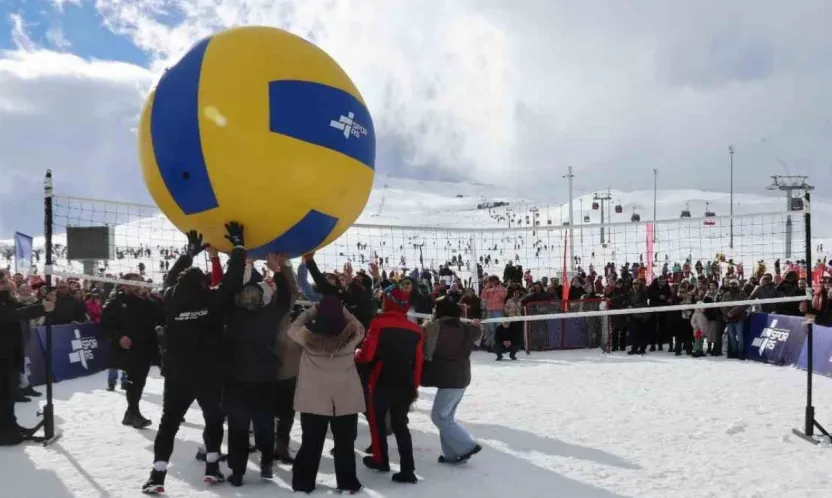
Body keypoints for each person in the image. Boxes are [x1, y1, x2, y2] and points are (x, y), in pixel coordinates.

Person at [141, 223, 246, 495]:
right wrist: (238, 245)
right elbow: (233, 281)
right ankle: (212, 468)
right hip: (209, 373)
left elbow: (169, 279)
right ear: (202, 284)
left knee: (169, 423)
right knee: (213, 419)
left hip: (178, 374)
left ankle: (157, 475)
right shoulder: (210, 299)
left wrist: (189, 253)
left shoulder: (170, 299)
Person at [223, 253, 295, 487]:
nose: (250, 297)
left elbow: (226, 291)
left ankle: (239, 470)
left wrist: (240, 265)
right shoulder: (267, 317)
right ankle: (261, 463)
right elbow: (285, 299)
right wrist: (277, 270)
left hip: (241, 381)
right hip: (260, 379)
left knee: (240, 427)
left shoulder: (232, 316)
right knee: (260, 425)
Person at [289, 296, 365, 494]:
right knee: (345, 444)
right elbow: (359, 325)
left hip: (313, 399)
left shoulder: (306, 338)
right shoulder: (351, 338)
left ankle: (304, 483)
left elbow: (293, 327)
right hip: (345, 399)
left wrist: (312, 310)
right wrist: (343, 310)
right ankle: (347, 483)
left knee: (311, 442)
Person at [356, 286, 424, 485]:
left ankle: (381, 460)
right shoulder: (416, 330)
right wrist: (415, 387)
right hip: (405, 383)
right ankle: (408, 469)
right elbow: (418, 363)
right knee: (401, 425)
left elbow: (367, 355)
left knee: (377, 423)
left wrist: (356, 355)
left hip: (381, 381)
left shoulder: (378, 323)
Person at [421, 295, 483, 464]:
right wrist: (477, 326)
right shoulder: (464, 327)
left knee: (439, 417)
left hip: (448, 378)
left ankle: (467, 445)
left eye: (435, 308)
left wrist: (425, 327)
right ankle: (452, 454)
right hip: (462, 377)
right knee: (446, 418)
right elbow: (477, 336)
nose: (433, 311)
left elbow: (427, 352)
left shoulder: (435, 327)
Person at [102, 273, 164, 429]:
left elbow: (159, 319)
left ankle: (130, 413)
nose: (138, 285)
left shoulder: (149, 301)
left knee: (139, 381)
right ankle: (134, 413)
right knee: (133, 380)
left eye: (140, 282)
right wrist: (119, 336)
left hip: (146, 347)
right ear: (125, 285)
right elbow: (106, 325)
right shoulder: (117, 302)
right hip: (127, 348)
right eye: (134, 282)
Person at [0, 272, 54, 445]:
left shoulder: (7, 298)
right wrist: (41, 307)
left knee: (9, 393)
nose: (6, 284)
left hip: (11, 352)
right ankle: (4, 431)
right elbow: (9, 315)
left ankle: (9, 425)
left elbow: (17, 311)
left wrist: (42, 302)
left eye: (5, 280)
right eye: (2, 282)